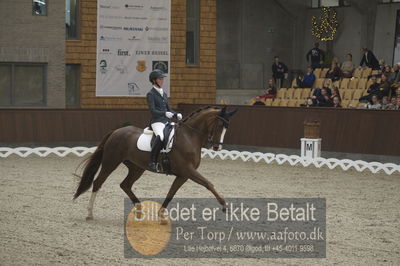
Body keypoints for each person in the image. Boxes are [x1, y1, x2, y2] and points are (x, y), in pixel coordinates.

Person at [146, 69, 182, 172]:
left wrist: (176, 114)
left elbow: (169, 109)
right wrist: (164, 113)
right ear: (154, 81)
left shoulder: (164, 93)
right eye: (160, 79)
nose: (162, 81)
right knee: (160, 136)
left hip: (166, 121)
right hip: (157, 121)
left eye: (162, 79)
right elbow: (153, 110)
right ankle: (152, 162)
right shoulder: (150, 94)